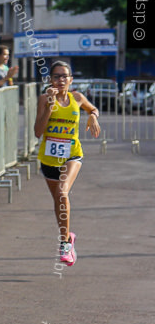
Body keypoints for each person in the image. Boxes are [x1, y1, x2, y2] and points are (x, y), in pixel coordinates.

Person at [33, 61, 100, 266]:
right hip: (49, 159)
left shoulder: (77, 98)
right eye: (56, 76)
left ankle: (64, 245)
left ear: (71, 80)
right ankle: (67, 236)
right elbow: (38, 132)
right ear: (50, 80)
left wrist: (93, 117)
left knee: (62, 193)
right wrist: (50, 107)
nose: (61, 80)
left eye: (64, 76)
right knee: (58, 202)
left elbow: (93, 108)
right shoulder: (44, 99)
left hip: (72, 155)